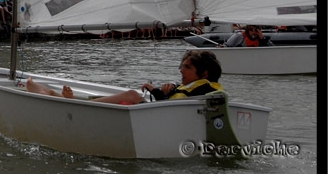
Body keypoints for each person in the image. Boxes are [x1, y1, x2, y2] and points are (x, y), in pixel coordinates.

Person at [25, 49, 225, 105]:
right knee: (126, 100)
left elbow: (171, 105)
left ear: (204, 73)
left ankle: (69, 101)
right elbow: (176, 100)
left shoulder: (203, 88)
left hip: (159, 119)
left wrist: (155, 89)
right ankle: (62, 97)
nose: (181, 70)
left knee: (131, 95)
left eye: (187, 67)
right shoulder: (208, 87)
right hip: (162, 117)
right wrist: (169, 88)